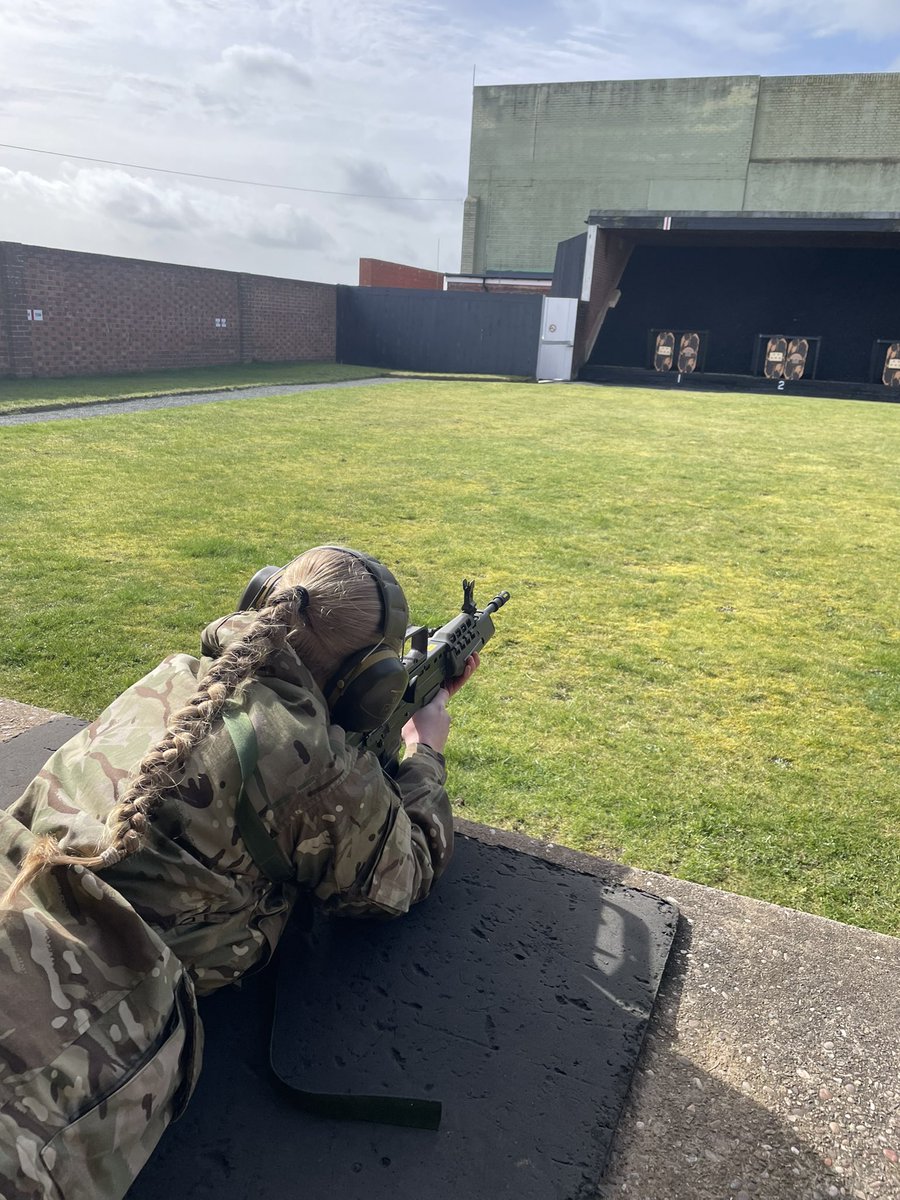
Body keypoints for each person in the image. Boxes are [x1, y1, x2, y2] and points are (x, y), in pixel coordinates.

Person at [0, 545, 478, 1200]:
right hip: (92, 1012)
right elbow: (406, 871)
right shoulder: (319, 765)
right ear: (371, 687)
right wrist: (425, 751)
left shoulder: (173, 677)